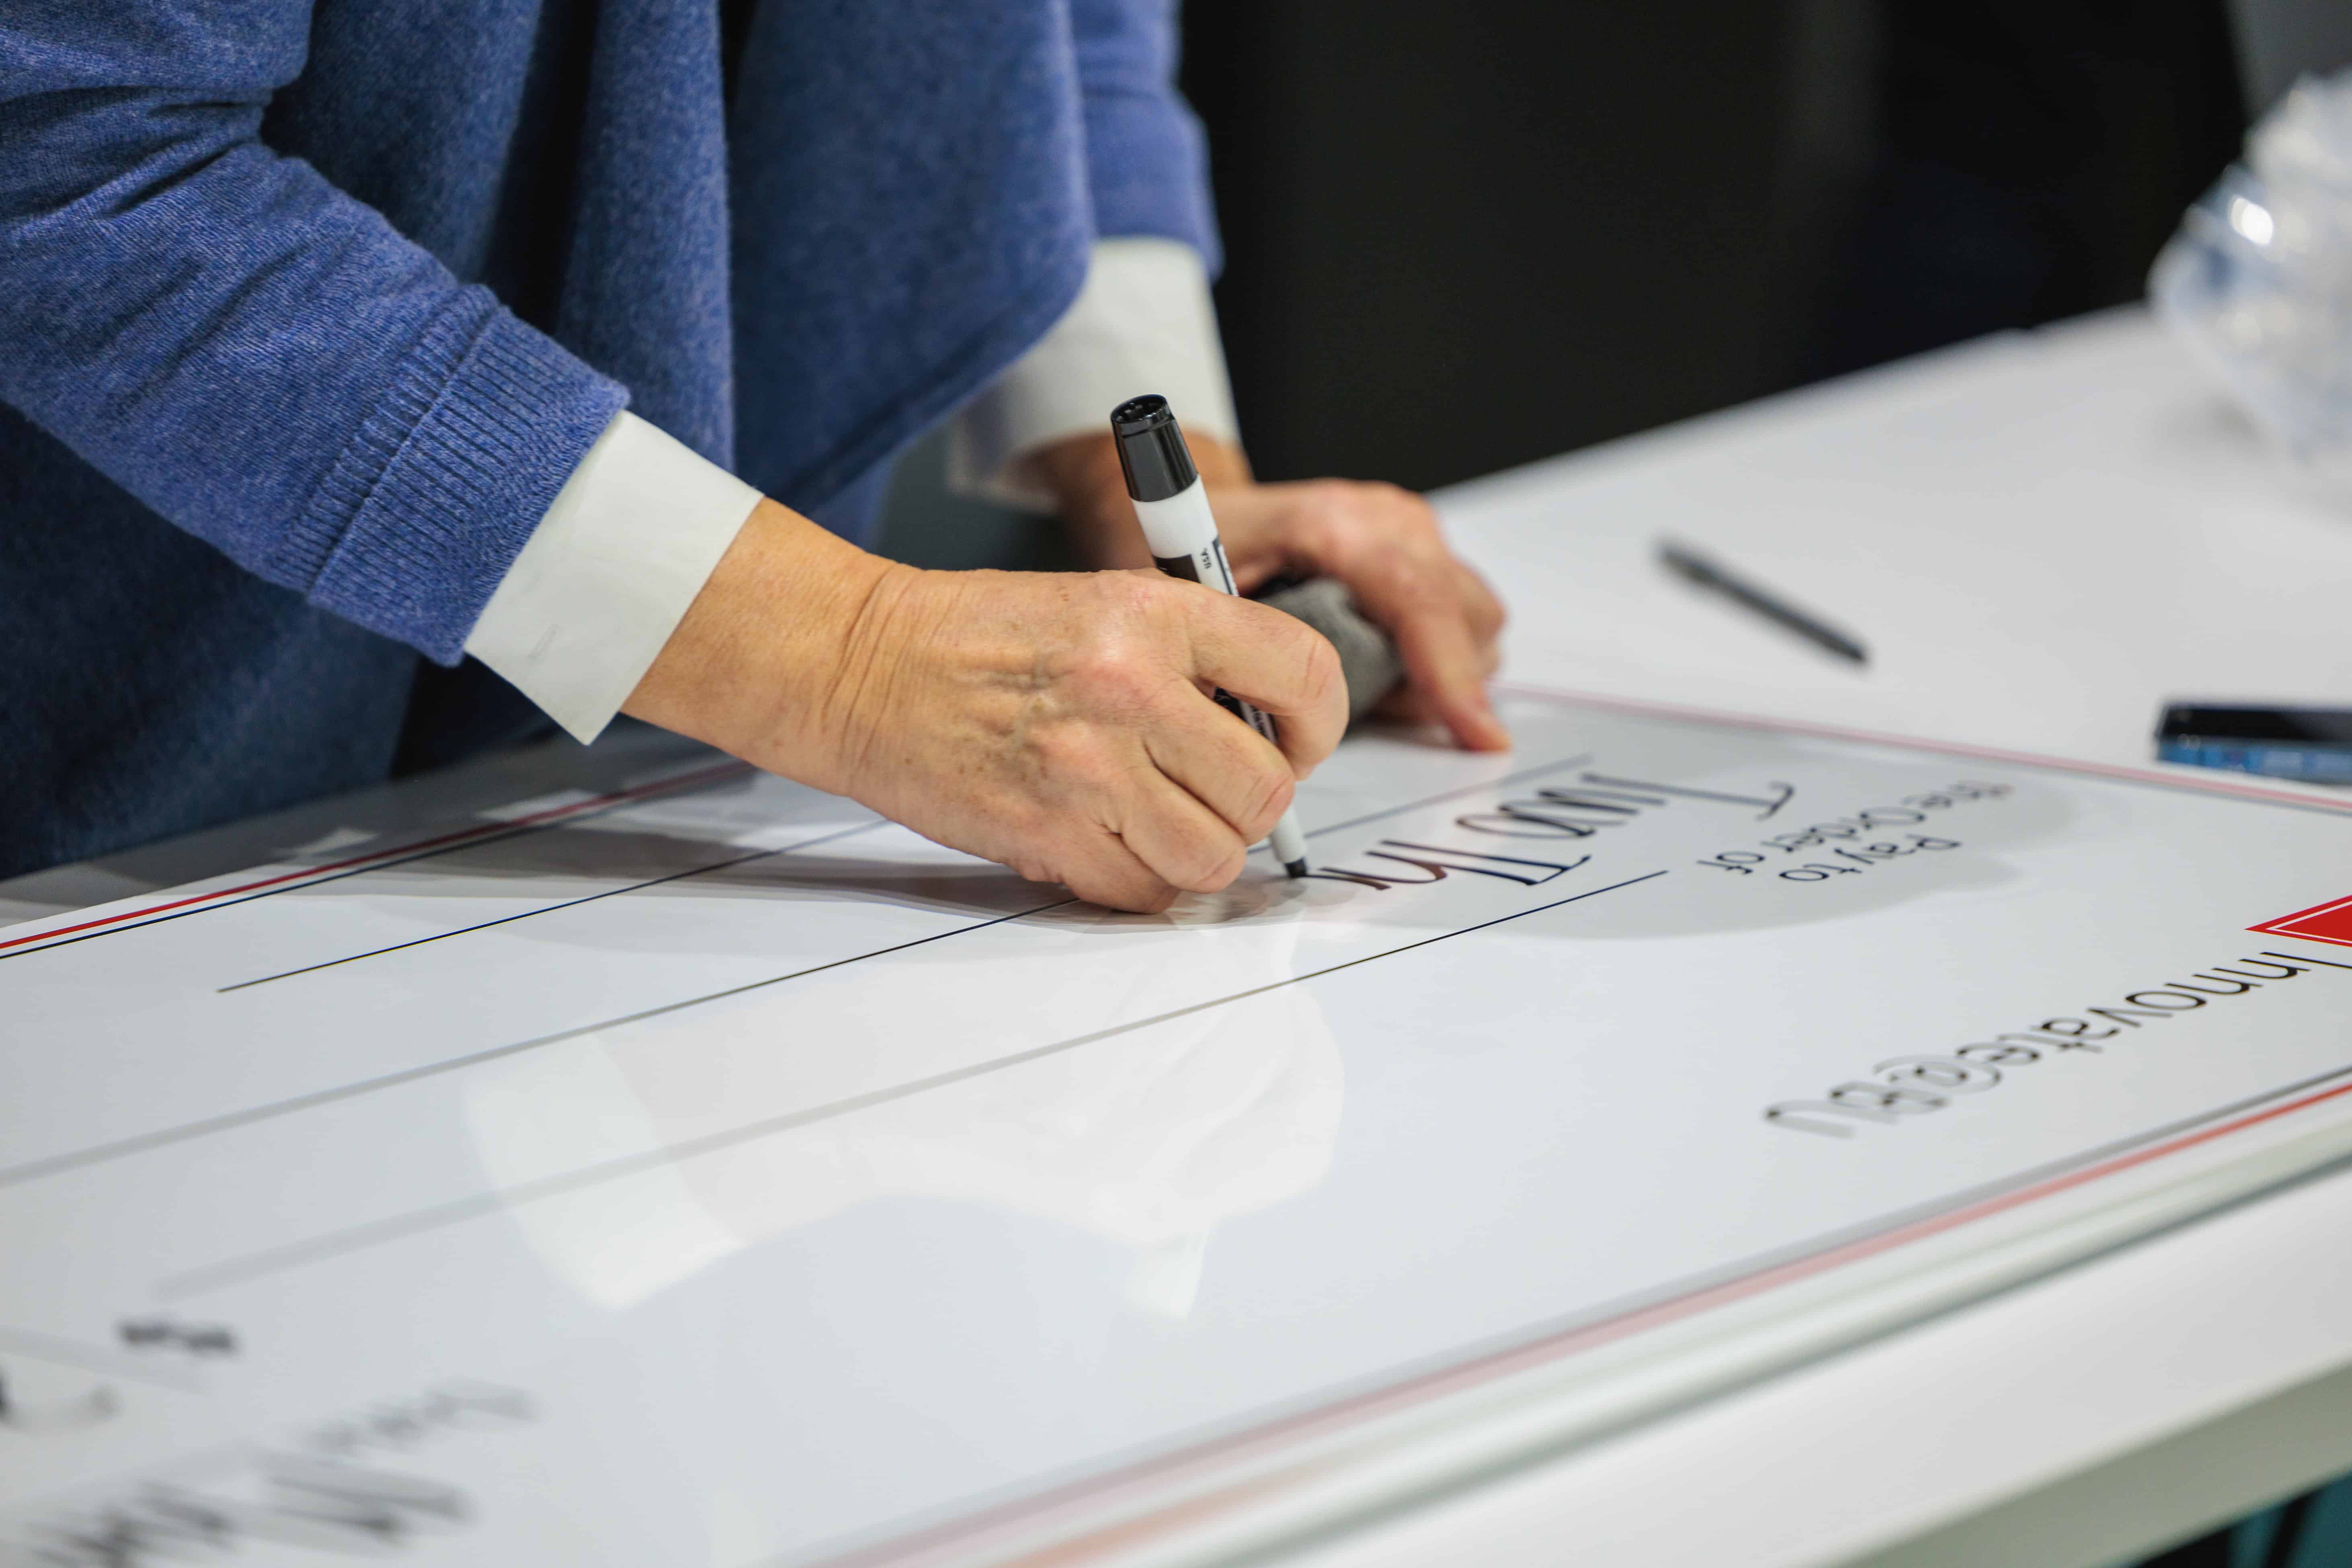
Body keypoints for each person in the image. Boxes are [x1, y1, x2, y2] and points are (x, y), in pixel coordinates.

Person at [0, 1, 1505, 914]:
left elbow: (1050, 33)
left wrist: (1159, 480)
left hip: (621, 817)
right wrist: (842, 658)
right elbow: (65, 156)